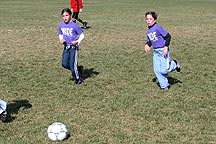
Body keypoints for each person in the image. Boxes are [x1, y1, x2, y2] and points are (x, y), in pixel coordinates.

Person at [144, 11, 181, 90]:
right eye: (147, 19)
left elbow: (168, 36)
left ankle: (174, 64)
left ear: (155, 20)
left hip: (163, 50)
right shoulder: (148, 32)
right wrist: (147, 45)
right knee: (157, 70)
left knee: (164, 70)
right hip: (156, 52)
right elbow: (150, 41)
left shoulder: (158, 28)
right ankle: (165, 86)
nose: (148, 21)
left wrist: (166, 47)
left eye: (150, 19)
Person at [58, 8, 85, 84]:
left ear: (70, 16)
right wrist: (61, 39)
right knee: (64, 64)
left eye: (67, 15)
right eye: (63, 16)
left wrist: (77, 41)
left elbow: (82, 35)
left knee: (73, 66)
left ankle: (79, 79)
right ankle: (78, 69)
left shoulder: (74, 25)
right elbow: (60, 34)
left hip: (73, 48)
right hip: (66, 47)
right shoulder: (61, 25)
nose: (65, 17)